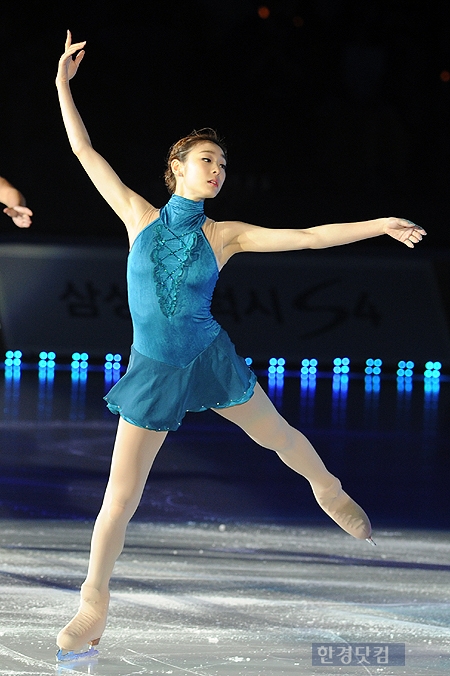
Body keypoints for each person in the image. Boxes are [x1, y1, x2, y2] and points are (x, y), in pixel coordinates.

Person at [55, 31, 426, 661]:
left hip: (208, 355)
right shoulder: (137, 217)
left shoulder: (226, 234)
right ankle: (94, 602)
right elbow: (85, 149)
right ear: (176, 167)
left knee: (277, 435)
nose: (217, 170)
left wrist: (379, 224)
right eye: (207, 160)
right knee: (121, 494)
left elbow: (308, 236)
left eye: (223, 165)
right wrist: (62, 85)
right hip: (153, 369)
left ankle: (327, 487)